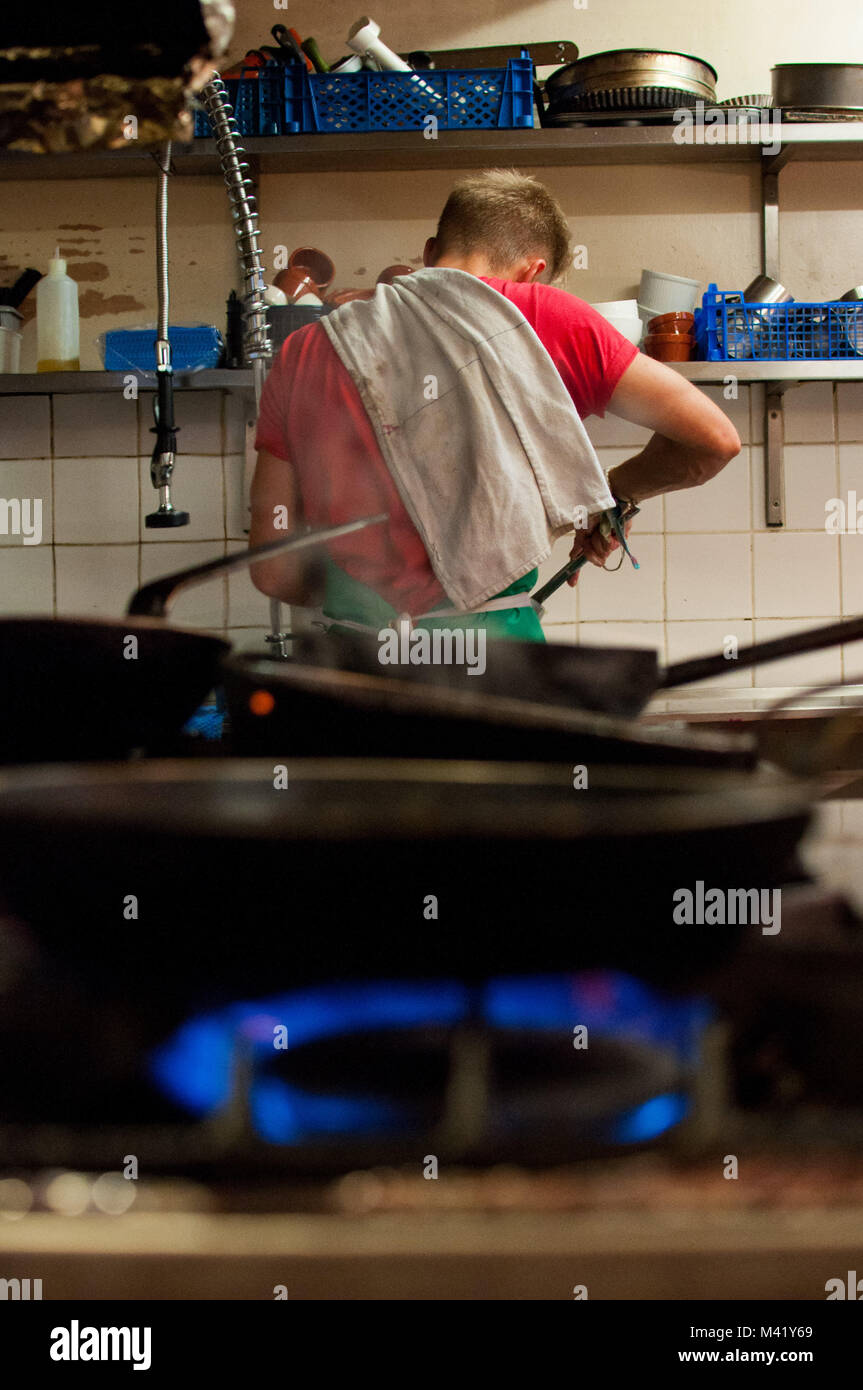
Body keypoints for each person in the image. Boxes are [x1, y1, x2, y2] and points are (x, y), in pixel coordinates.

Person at [250, 169, 740, 645]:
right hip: (492, 662)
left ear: (428, 253)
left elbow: (272, 571)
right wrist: (615, 491)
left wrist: (366, 604)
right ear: (534, 274)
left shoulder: (304, 349)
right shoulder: (540, 317)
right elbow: (713, 442)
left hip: (353, 665)